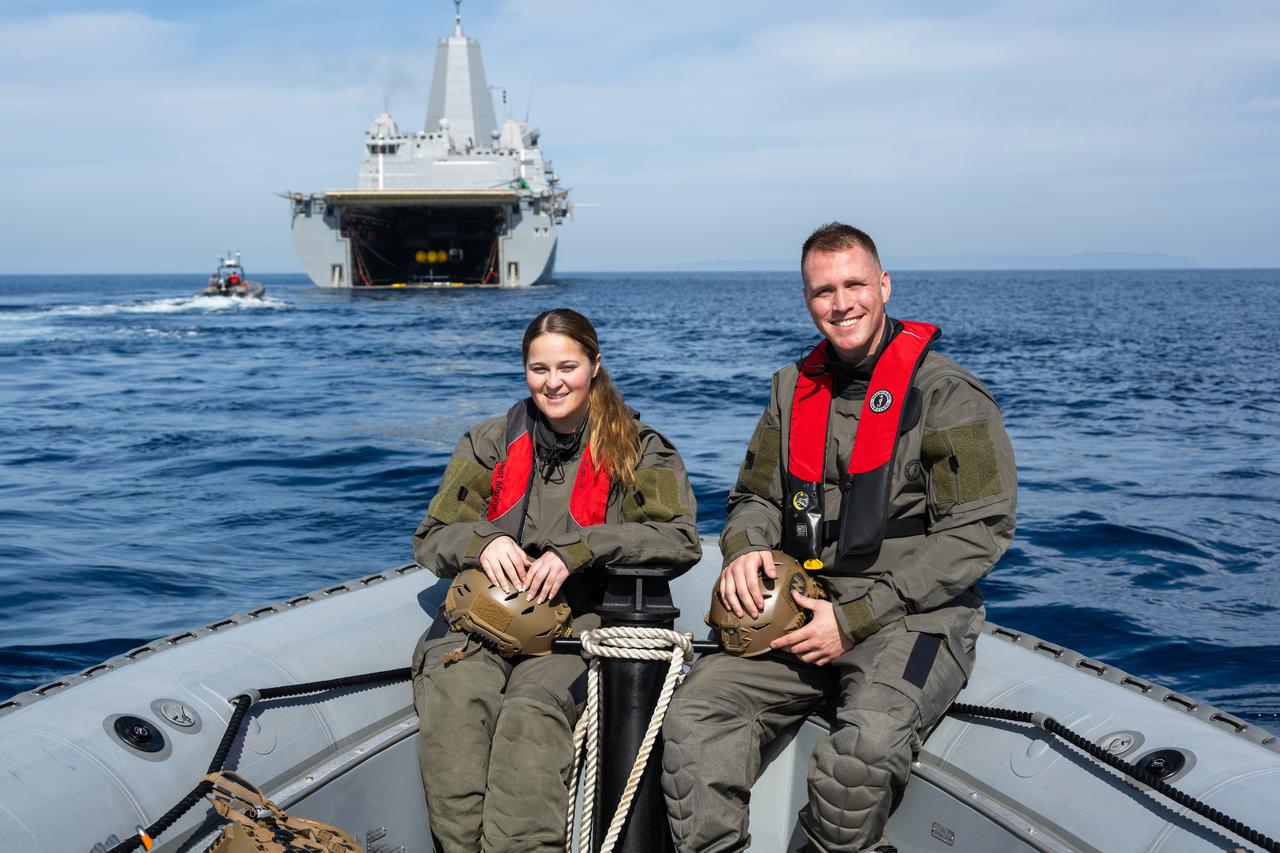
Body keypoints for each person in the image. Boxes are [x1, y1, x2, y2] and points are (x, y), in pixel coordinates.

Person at [661, 223, 1017, 852]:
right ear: (808, 300)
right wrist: (745, 551)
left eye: (855, 284)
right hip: (799, 606)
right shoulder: (789, 391)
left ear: (883, 286)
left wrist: (855, 617)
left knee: (859, 759)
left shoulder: (950, 397)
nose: (841, 302)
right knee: (694, 718)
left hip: (910, 615)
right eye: (824, 290)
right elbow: (754, 499)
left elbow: (979, 532)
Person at [411, 308, 701, 853]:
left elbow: (679, 539)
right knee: (455, 703)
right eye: (538, 369)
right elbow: (432, 535)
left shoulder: (639, 448)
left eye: (567, 366)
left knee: (530, 721)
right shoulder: (490, 442)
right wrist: (484, 542)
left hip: (573, 628)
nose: (553, 382)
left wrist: (584, 548)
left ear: (594, 364)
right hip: (484, 620)